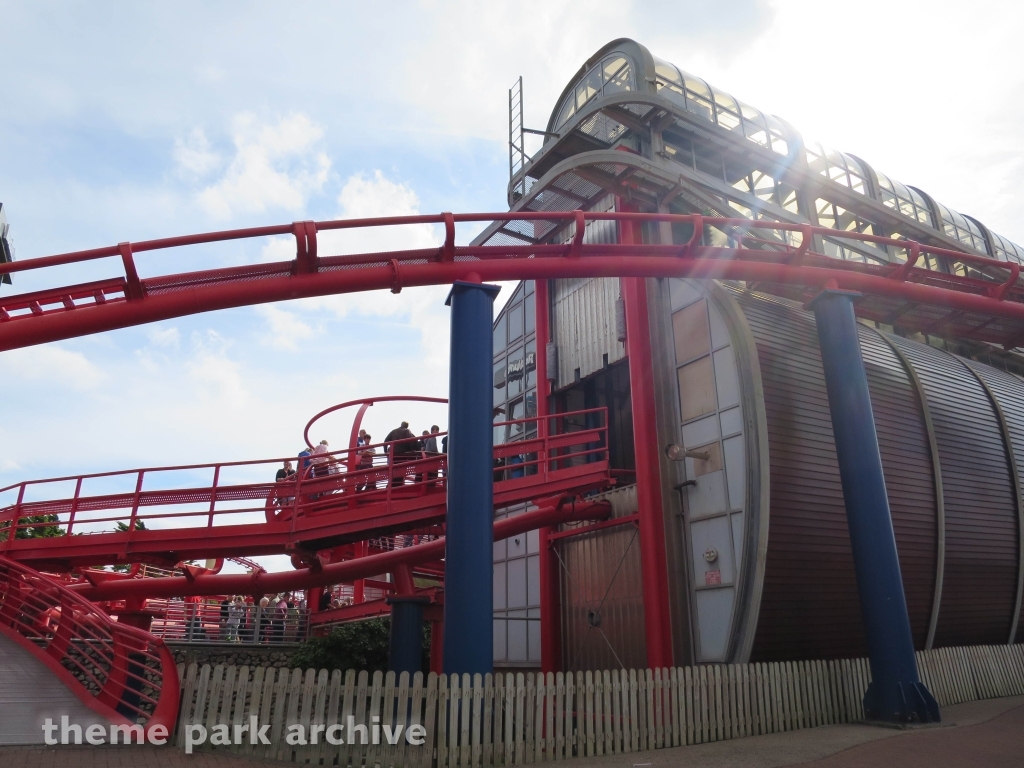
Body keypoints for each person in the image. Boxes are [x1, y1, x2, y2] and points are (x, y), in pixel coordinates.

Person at [384, 421, 417, 486]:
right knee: (402, 470)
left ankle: (392, 485)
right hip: (404, 454)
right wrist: (412, 450)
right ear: (407, 426)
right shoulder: (407, 431)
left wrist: (385, 451)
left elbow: (385, 441)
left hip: (395, 454)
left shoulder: (393, 431)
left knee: (395, 469)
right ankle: (397, 485)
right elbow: (410, 440)